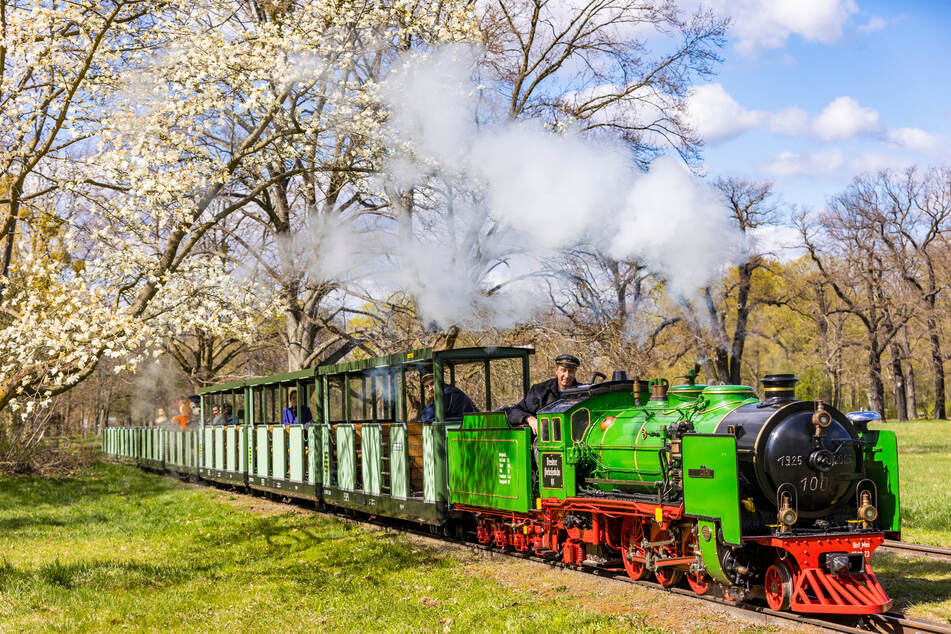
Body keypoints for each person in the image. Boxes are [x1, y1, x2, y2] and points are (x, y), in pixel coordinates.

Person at [505, 353, 580, 434]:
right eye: (563, 370)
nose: (567, 375)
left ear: (575, 372)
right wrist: (529, 419)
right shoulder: (539, 391)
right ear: (556, 370)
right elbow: (513, 411)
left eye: (571, 371)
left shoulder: (584, 393)